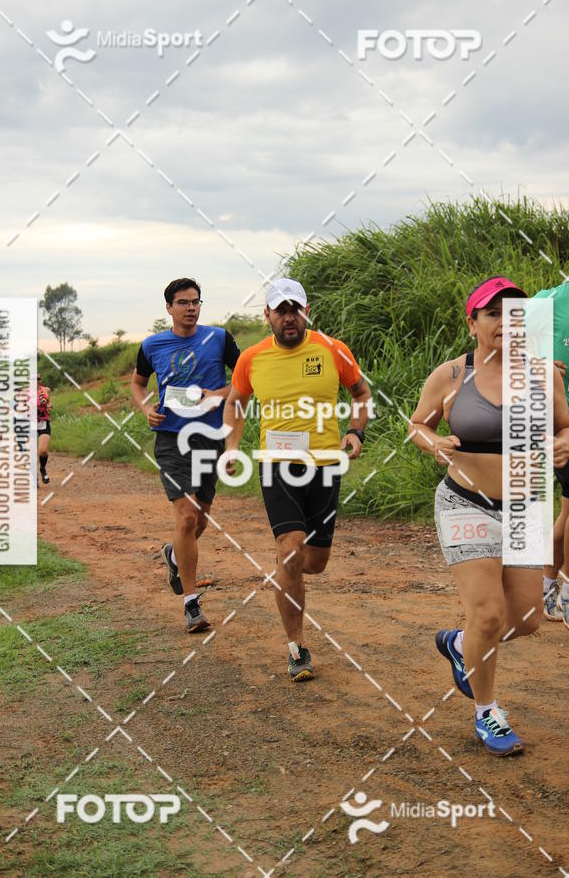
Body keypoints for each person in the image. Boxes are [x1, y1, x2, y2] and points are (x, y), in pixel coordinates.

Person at [410, 275, 569, 756]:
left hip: (524, 502)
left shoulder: (546, 374)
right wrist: (433, 441)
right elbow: (418, 424)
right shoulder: (452, 376)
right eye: (493, 313)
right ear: (473, 322)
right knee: (487, 613)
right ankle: (488, 713)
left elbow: (566, 426)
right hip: (465, 501)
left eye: (514, 314)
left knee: (527, 618)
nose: (505, 322)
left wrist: (564, 443)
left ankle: (460, 646)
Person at [223, 277, 372, 681]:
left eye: (296, 309)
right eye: (281, 310)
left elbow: (361, 394)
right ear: (267, 315)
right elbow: (236, 403)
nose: (289, 317)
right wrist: (233, 446)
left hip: (325, 464)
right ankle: (297, 647)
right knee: (290, 551)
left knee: (316, 562)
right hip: (278, 464)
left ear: (307, 312)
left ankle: (288, 570)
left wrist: (356, 432)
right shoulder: (252, 358)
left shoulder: (332, 349)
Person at [131, 278, 240, 633]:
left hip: (210, 436)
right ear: (169, 308)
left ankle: (174, 555)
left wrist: (216, 395)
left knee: (201, 521)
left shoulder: (220, 339)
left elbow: (243, 381)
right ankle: (191, 605)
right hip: (172, 439)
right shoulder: (152, 345)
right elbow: (137, 383)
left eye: (196, 302)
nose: (191, 308)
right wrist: (146, 407)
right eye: (183, 302)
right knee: (187, 518)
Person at [532, 282, 569, 628]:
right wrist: (538, 362)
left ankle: (547, 589)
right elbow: (504, 345)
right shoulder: (549, 301)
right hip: (562, 426)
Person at [37, 375, 52, 484]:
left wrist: (50, 406)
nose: (36, 381)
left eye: (38, 379)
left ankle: (42, 468)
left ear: (40, 380)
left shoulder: (46, 390)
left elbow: (49, 403)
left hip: (43, 422)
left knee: (42, 451)